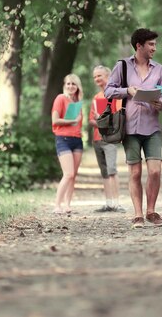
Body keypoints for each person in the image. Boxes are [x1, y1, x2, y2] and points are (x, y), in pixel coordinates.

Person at [105, 28, 162, 228]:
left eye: (155, 44)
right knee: (134, 173)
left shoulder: (159, 69)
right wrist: (127, 91)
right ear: (139, 46)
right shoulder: (122, 66)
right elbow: (108, 90)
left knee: (155, 171)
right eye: (151, 44)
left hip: (152, 126)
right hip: (130, 128)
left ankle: (151, 211)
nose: (154, 48)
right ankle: (138, 214)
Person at [88, 65, 125, 213]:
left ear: (108, 77)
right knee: (104, 171)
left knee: (112, 170)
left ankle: (117, 203)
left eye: (99, 76)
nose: (97, 79)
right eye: (95, 77)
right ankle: (109, 203)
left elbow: (117, 118)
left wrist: (103, 121)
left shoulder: (114, 96)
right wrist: (99, 121)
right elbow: (91, 120)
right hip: (97, 139)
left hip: (109, 139)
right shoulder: (96, 98)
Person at [51, 74, 84, 214]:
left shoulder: (77, 102)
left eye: (74, 84)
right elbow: (55, 120)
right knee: (68, 174)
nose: (71, 86)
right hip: (63, 139)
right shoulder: (60, 98)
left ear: (77, 87)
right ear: (64, 85)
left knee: (73, 175)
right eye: (68, 84)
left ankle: (67, 205)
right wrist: (72, 121)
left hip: (77, 140)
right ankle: (57, 205)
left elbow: (78, 123)